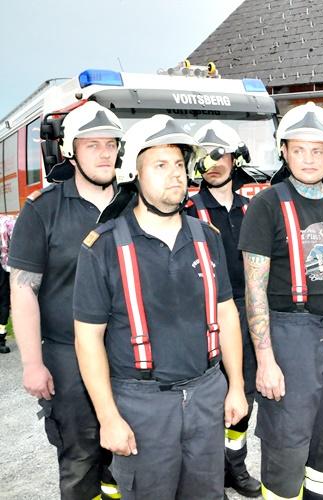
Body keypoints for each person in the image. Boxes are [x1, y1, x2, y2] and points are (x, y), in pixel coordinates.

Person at [73, 114, 247, 500]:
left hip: (206, 395)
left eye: (180, 165)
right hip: (140, 405)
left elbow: (227, 313)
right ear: (134, 174)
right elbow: (87, 339)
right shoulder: (103, 247)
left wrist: (235, 386)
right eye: (160, 165)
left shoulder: (207, 237)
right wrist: (108, 417)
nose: (175, 175)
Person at [239, 102, 323, 500]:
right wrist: (265, 361)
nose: (308, 159)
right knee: (287, 439)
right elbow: (254, 289)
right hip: (289, 336)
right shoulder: (266, 205)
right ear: (284, 151)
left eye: (317, 150)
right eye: (298, 149)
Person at [8, 101, 122, 499]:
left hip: (129, 354)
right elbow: (23, 290)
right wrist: (32, 364)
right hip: (67, 357)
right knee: (80, 456)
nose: (105, 153)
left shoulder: (135, 205)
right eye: (93, 145)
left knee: (128, 454)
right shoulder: (43, 210)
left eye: (111, 144)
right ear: (70, 151)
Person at [185, 120, 261, 497]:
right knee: (207, 400)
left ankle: (236, 465)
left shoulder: (254, 209)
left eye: (222, 155)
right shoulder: (185, 211)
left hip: (249, 315)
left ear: (236, 160)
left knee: (242, 394)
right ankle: (211, 472)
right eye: (205, 157)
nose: (214, 163)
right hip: (202, 320)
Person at [0, 214, 15, 354]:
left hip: (3, 267)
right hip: (3, 267)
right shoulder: (6, 222)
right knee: (3, 303)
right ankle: (0, 339)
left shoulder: (6, 221)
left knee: (4, 303)